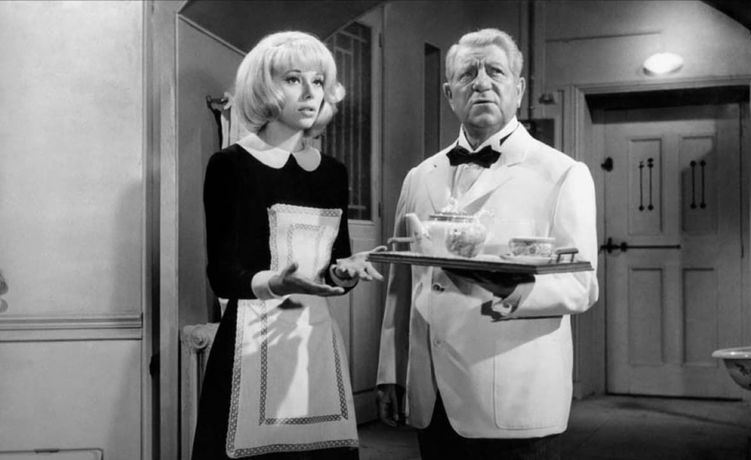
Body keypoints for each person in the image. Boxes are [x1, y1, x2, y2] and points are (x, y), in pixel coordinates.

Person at [376, 28, 598, 459]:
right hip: (432, 394)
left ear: (519, 88)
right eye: (467, 74)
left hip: (511, 395)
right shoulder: (419, 177)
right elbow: (401, 285)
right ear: (449, 93)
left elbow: (581, 284)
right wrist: (391, 371)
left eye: (495, 71)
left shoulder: (562, 174)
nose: (481, 82)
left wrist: (510, 288)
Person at [192, 31, 383, 460]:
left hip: (314, 342)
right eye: (294, 79)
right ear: (265, 87)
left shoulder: (333, 173)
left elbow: (334, 265)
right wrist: (276, 283)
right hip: (248, 345)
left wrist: (343, 273)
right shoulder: (231, 166)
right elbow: (222, 274)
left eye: (318, 81)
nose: (310, 93)